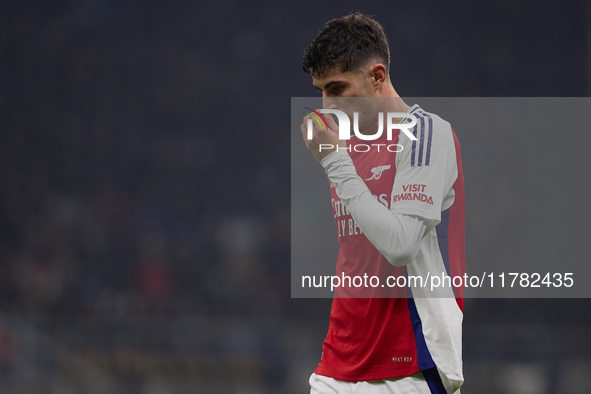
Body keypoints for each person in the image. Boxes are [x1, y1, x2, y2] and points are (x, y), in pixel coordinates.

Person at [299, 13, 465, 394]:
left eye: (338, 87)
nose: (327, 103)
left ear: (377, 77)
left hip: (410, 366)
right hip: (336, 366)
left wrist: (334, 162)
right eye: (321, 89)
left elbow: (401, 245)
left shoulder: (425, 133)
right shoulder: (343, 145)